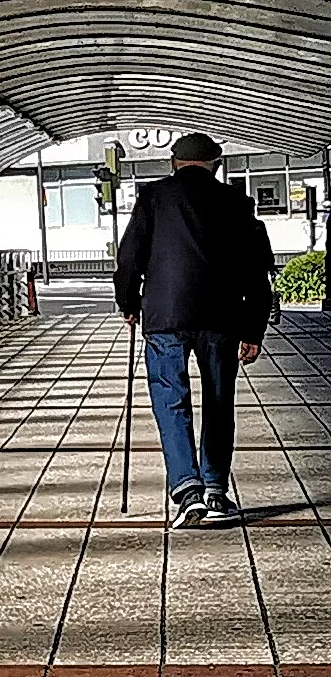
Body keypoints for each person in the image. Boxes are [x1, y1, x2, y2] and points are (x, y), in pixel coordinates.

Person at [113, 132, 275, 528]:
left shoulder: (152, 197)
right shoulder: (238, 202)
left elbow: (129, 257)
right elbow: (257, 273)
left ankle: (188, 492)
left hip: (165, 318)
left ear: (174, 163)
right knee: (219, 401)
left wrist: (130, 304)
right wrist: (253, 331)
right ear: (216, 165)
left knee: (171, 401)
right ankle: (216, 490)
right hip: (222, 318)